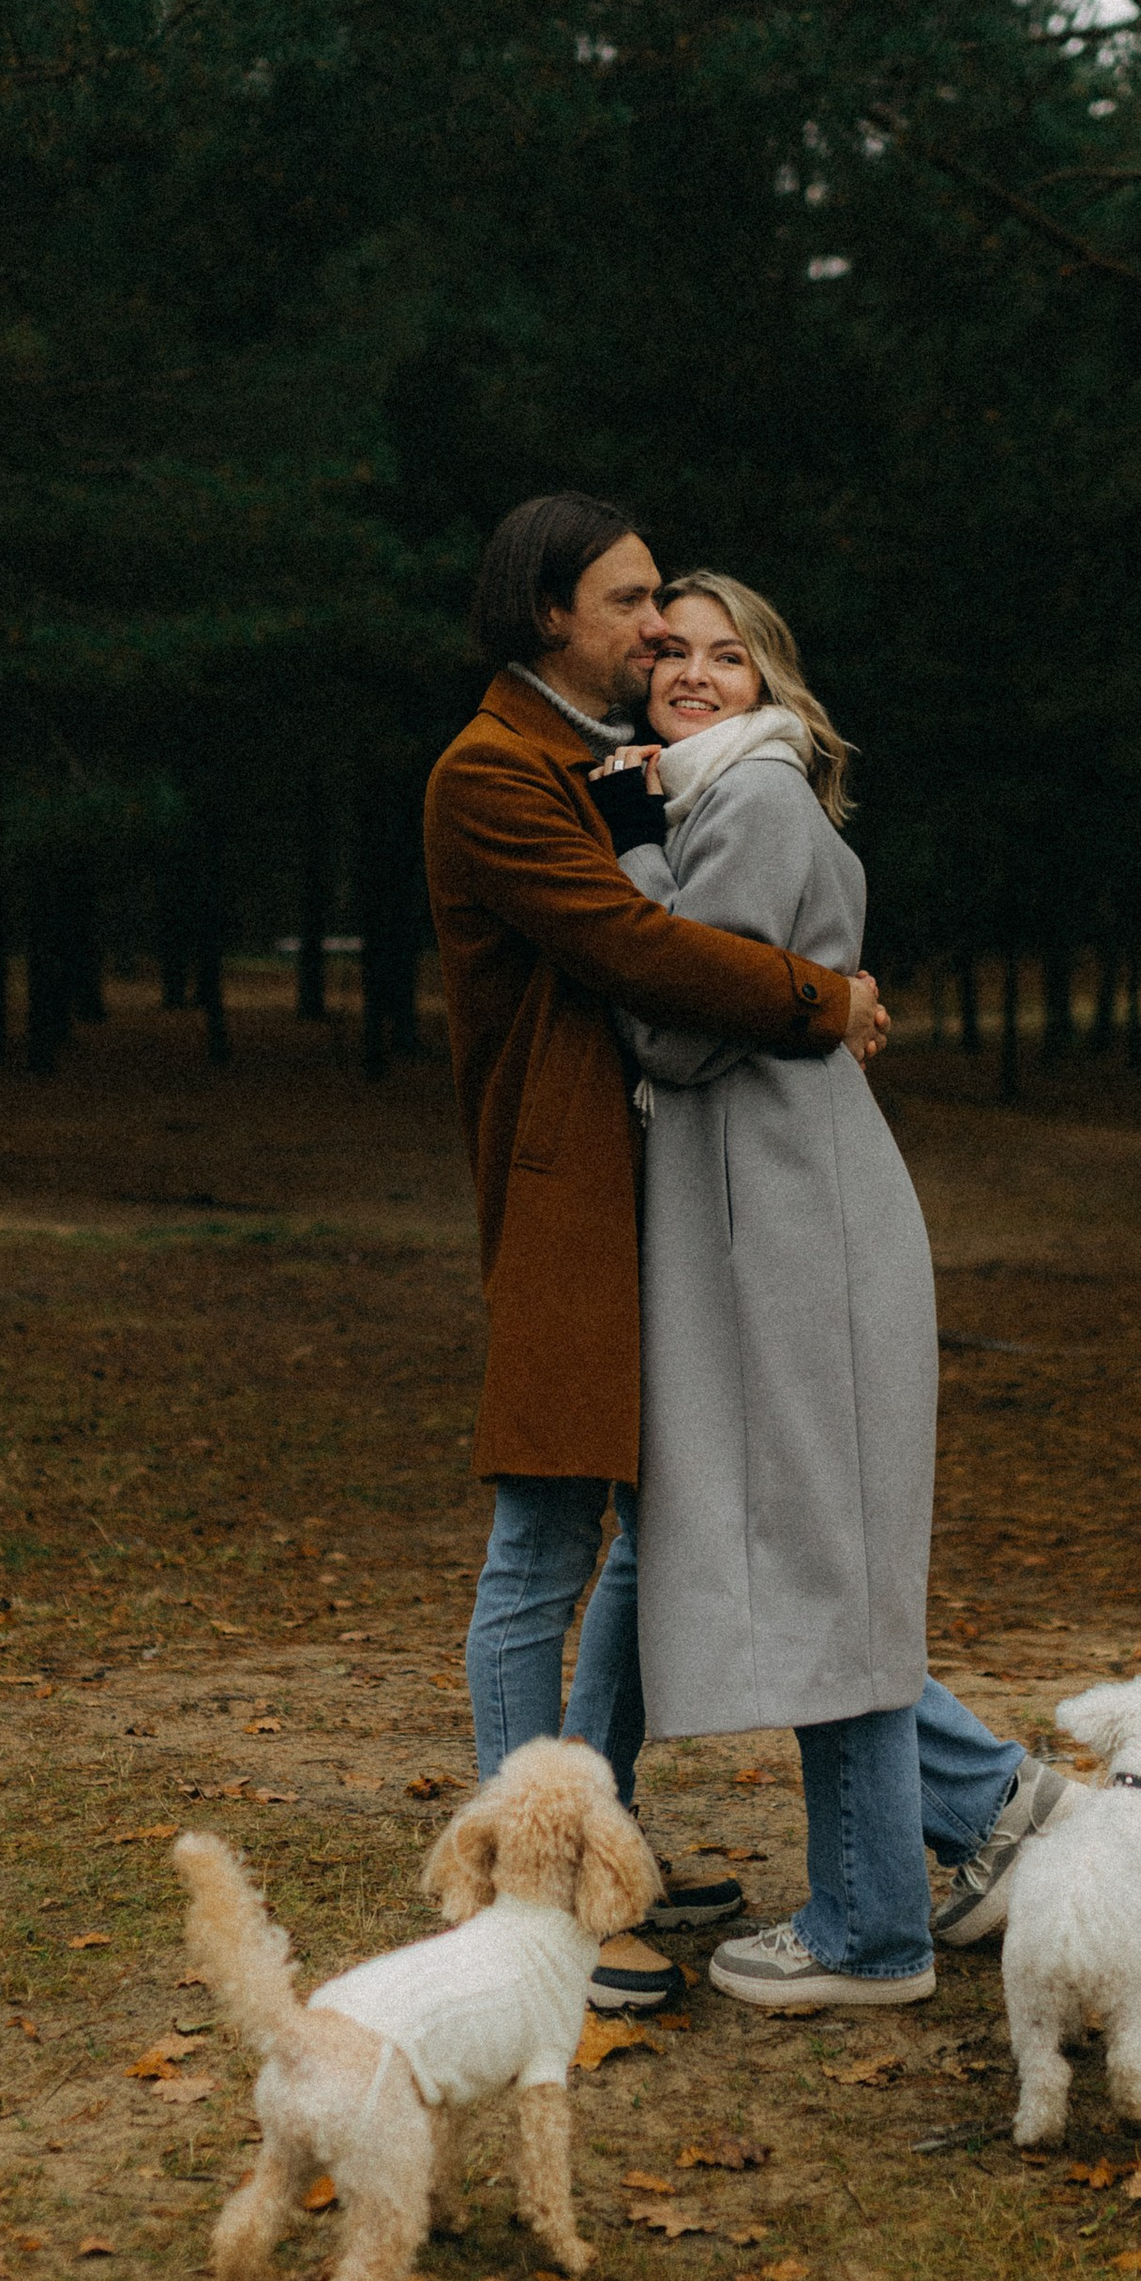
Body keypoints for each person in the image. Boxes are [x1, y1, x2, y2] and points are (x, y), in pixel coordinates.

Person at [421, 495, 890, 2012]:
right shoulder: (495, 774)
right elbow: (641, 955)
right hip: (569, 1198)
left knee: (651, 1532)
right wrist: (827, 1002)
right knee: (545, 1547)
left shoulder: (613, 766)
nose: (653, 634)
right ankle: (532, 1891)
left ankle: (595, 1833)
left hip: (655, 1196)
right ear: (551, 611)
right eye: (631, 605)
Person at [595, 573, 1069, 2010]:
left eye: (725, 654)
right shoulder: (716, 799)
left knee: (816, 1563)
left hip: (798, 1235)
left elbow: (681, 1027)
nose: (689, 670)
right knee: (803, 1556)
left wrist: (621, 852)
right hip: (779, 1225)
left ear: (771, 681)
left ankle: (877, 1919)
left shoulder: (748, 802)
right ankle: (984, 1801)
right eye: (666, 648)